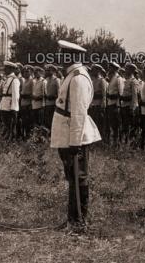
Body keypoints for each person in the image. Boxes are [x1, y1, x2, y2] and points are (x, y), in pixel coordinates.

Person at [50, 40, 101, 231]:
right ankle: (72, 218)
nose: (59, 57)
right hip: (67, 135)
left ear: (71, 56)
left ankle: (79, 221)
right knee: (72, 178)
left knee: (79, 178)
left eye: (62, 54)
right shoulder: (71, 75)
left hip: (74, 137)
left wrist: (75, 142)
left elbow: (78, 113)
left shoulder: (78, 78)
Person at [0, 62, 21, 140]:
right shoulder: (7, 79)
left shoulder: (14, 80)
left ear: (11, 69)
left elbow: (15, 95)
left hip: (9, 105)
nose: (4, 70)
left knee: (10, 124)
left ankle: (11, 139)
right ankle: (7, 138)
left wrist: (14, 108)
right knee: (6, 123)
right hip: (4, 104)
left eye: (6, 68)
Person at [120, 63, 140, 145]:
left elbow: (135, 97)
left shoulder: (134, 81)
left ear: (132, 70)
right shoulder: (125, 80)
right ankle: (125, 142)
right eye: (126, 68)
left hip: (130, 106)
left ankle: (132, 143)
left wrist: (133, 108)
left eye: (127, 69)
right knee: (125, 125)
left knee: (130, 126)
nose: (125, 70)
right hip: (124, 105)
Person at [106, 62, 124, 146]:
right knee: (112, 125)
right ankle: (114, 143)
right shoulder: (112, 78)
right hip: (110, 104)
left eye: (111, 67)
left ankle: (118, 144)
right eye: (109, 67)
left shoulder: (118, 78)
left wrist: (117, 105)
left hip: (115, 105)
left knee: (117, 126)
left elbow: (120, 94)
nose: (109, 69)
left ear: (115, 69)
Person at [89, 64, 108, 142]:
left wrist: (103, 103)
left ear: (98, 71)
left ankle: (100, 139)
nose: (93, 72)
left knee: (99, 122)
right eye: (92, 70)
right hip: (92, 103)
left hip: (98, 103)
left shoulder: (102, 80)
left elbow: (104, 94)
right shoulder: (92, 80)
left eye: (95, 70)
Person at [44, 64, 61, 129]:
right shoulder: (46, 80)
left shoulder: (57, 80)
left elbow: (59, 93)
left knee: (52, 120)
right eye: (46, 70)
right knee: (47, 120)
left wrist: (54, 96)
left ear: (53, 71)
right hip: (47, 103)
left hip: (53, 103)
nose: (47, 72)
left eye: (49, 70)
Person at [31, 66, 47, 135]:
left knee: (41, 122)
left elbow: (45, 94)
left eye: (37, 72)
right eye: (35, 72)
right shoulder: (33, 81)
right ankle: (35, 136)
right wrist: (33, 96)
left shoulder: (43, 81)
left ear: (40, 73)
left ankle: (41, 136)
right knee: (35, 121)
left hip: (40, 104)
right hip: (34, 104)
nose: (36, 74)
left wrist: (38, 97)